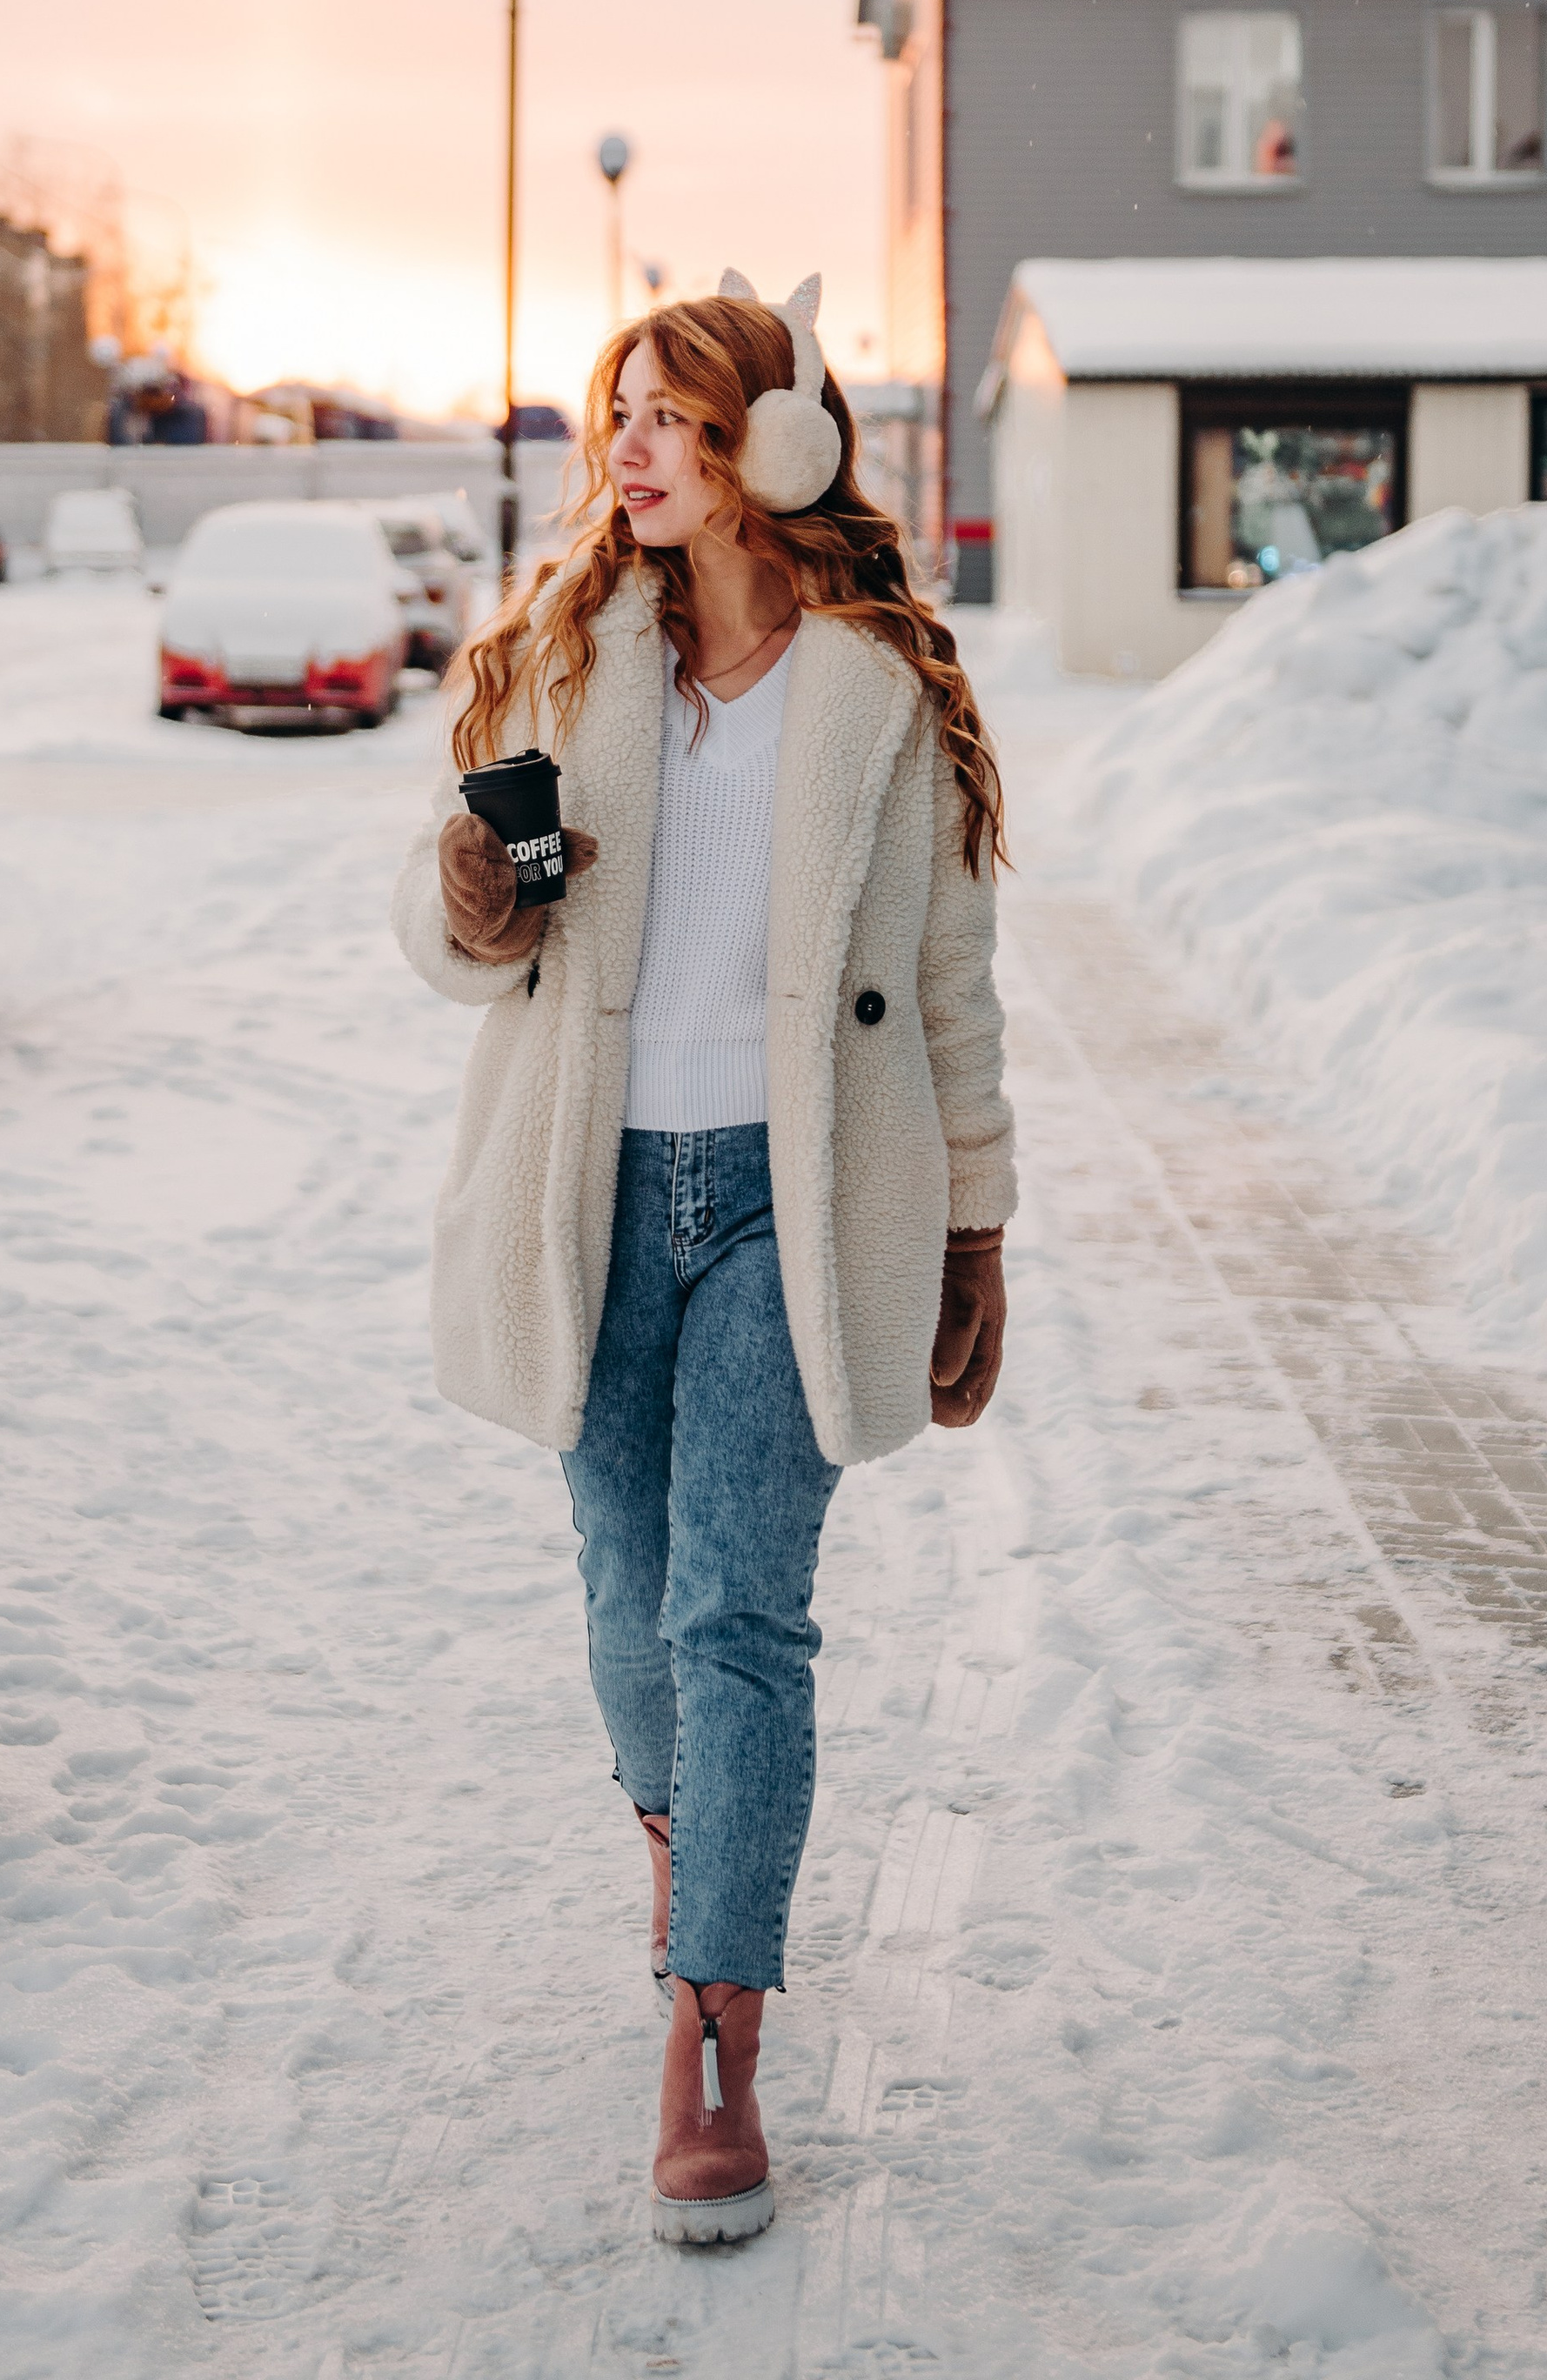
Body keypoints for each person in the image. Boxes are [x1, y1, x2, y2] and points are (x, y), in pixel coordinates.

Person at [391, 271, 1015, 2249]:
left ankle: (714, 2025)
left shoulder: (875, 691)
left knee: (738, 1608)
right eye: (622, 418)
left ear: (780, 446)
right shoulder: (564, 657)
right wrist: (476, 898)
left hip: (794, 1193)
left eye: (676, 417)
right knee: (622, 1591)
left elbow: (947, 982)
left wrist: (976, 1221)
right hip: (591, 1186)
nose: (635, 452)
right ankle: (688, 1846)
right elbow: (439, 941)